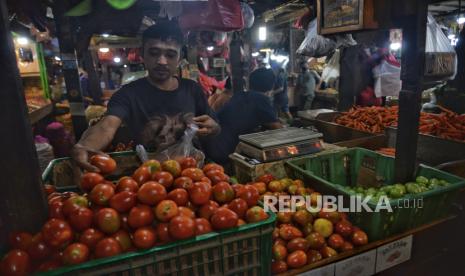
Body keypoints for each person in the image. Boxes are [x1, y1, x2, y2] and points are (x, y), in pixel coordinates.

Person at [71, 21, 220, 172]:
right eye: (154, 53)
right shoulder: (127, 94)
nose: (162, 61)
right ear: (142, 53)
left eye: (170, 55)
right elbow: (107, 126)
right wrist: (85, 146)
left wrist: (214, 127)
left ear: (180, 58)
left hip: (193, 174)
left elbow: (212, 124)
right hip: (150, 177)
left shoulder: (192, 89)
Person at [204, 68, 283, 167]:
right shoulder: (261, 99)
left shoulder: (239, 95)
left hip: (209, 147)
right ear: (271, 86)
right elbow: (277, 128)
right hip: (225, 153)